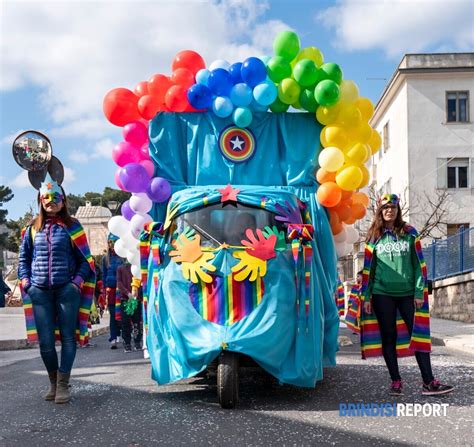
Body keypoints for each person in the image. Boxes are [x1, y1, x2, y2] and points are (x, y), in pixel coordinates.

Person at [360, 193, 453, 396]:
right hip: (382, 293)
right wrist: (366, 296)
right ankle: (396, 381)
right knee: (389, 337)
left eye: (392, 207)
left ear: (397, 210)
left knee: (418, 336)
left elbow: (419, 265)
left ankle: (428, 382)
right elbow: (369, 269)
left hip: (409, 294)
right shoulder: (374, 236)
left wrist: (420, 291)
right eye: (385, 208)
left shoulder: (409, 232)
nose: (389, 211)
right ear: (380, 211)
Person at [18, 174, 95, 403]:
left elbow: (86, 261)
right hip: (39, 292)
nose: (51, 201)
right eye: (46, 197)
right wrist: (26, 283)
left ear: (63, 200)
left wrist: (76, 284)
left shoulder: (73, 226)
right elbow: (24, 259)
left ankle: (63, 384)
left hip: (66, 291)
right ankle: (53, 382)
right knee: (46, 343)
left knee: (68, 339)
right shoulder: (31, 228)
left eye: (55, 197)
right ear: (41, 200)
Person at [116, 261, 143, 353]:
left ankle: (137, 342)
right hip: (125, 299)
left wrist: (137, 293)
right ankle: (127, 343)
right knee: (125, 323)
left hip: (137, 299)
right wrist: (127, 293)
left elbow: (140, 281)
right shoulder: (121, 268)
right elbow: (119, 283)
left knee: (137, 322)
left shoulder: (137, 267)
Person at [102, 234, 123, 349]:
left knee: (122, 315)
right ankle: (113, 337)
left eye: (113, 242)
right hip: (111, 291)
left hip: (121, 291)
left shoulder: (122, 258)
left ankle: (122, 334)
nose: (111, 245)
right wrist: (104, 292)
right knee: (112, 315)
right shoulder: (106, 259)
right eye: (109, 242)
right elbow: (104, 276)